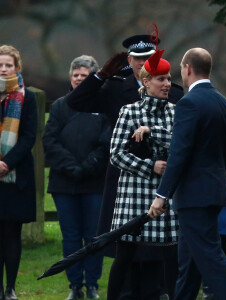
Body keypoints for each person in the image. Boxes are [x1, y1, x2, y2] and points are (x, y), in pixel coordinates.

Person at [66, 34, 183, 299]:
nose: (143, 64)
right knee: (125, 248)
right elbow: (75, 102)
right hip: (125, 180)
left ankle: (155, 292)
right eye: (138, 59)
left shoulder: (173, 93)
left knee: (159, 247)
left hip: (160, 182)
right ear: (129, 61)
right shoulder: (115, 87)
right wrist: (100, 76)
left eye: (148, 59)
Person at [149, 48, 226, 300]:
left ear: (187, 68)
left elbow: (179, 154)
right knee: (188, 263)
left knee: (211, 257)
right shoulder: (225, 103)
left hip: (194, 196)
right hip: (213, 190)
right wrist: (218, 179)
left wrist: (161, 195)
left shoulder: (189, 103)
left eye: (181, 68)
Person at [106, 49, 179, 300]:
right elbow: (115, 154)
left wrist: (151, 130)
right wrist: (151, 166)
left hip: (165, 196)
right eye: (161, 79)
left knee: (172, 256)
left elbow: (181, 144)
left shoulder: (175, 111)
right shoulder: (129, 112)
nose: (167, 84)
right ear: (146, 81)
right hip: (133, 195)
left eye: (169, 79)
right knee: (124, 256)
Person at [43, 55, 111, 300]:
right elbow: (50, 140)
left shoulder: (103, 105)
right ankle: (75, 285)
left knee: (94, 236)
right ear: (70, 78)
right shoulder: (60, 106)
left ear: (93, 78)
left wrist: (89, 165)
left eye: (84, 76)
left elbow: (107, 142)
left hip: (94, 183)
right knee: (71, 236)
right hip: (64, 183)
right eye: (75, 75)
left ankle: (92, 284)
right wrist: (71, 166)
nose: (79, 79)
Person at [0, 45, 37, 300]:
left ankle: (10, 288)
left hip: (15, 177)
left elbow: (28, 136)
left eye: (8, 65)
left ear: (17, 68)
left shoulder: (28, 97)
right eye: (0, 65)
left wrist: (6, 163)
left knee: (12, 235)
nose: (3, 69)